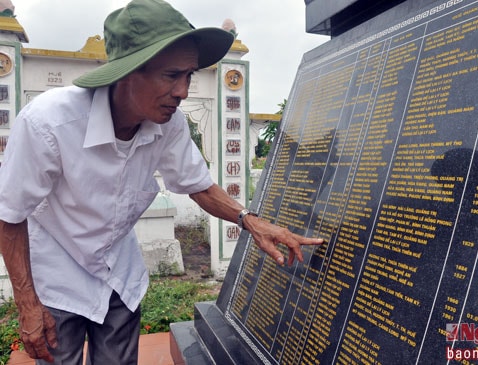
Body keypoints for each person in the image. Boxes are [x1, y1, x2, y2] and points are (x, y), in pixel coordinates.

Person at [0, 0, 323, 363]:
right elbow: (9, 214)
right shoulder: (49, 124)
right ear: (127, 71)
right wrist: (27, 304)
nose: (183, 91)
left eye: (189, 76)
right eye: (172, 76)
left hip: (119, 277)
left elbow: (197, 184)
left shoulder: (169, 124)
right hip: (56, 281)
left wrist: (251, 222)